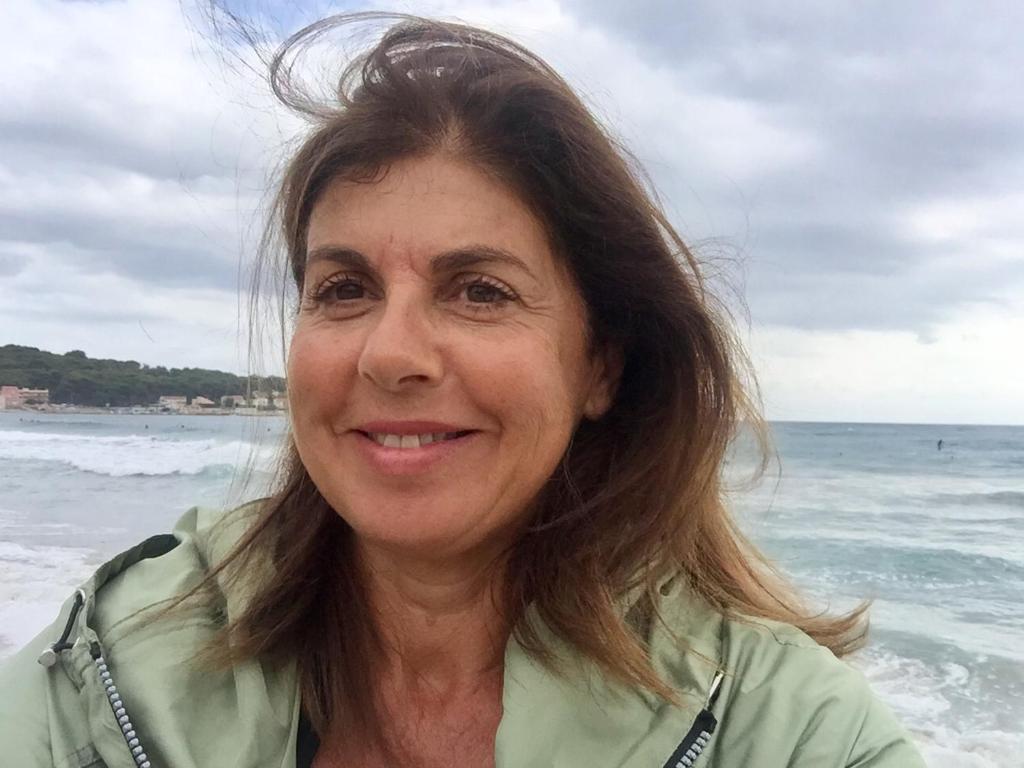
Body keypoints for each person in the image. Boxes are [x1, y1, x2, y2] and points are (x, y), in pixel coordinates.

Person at [0, 13, 924, 768]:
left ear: (600, 365)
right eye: (344, 289)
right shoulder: (115, 664)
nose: (389, 353)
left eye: (480, 290)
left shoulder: (788, 734)